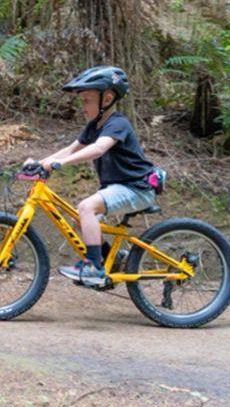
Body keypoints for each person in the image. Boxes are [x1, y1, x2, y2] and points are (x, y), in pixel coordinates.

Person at [27, 66, 158, 287]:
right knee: (80, 219)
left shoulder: (118, 124)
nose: (83, 106)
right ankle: (111, 258)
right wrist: (39, 163)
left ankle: (94, 268)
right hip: (119, 187)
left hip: (137, 187)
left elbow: (99, 149)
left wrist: (59, 164)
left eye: (87, 100)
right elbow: (71, 149)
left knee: (86, 207)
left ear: (107, 98)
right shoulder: (94, 126)